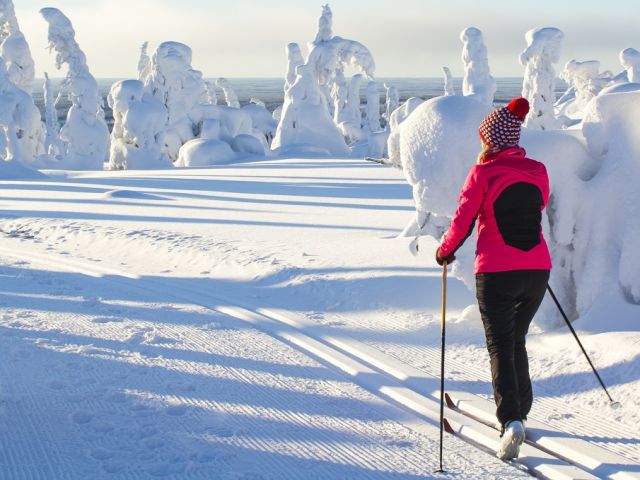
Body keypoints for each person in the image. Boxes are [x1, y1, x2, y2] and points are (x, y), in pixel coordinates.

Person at [435, 97, 551, 461]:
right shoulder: (538, 170)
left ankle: (511, 419)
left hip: (497, 272)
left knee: (500, 343)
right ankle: (522, 410)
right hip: (537, 270)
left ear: (490, 140)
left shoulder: (482, 173)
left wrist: (445, 251)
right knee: (516, 338)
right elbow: (538, 206)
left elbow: (463, 220)